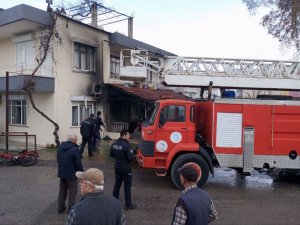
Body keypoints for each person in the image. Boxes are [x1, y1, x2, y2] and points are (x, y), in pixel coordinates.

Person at [110, 129, 137, 210]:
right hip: (126, 169)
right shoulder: (127, 145)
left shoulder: (114, 144)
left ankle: (114, 203)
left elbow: (111, 155)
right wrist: (134, 153)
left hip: (117, 167)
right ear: (124, 135)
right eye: (128, 135)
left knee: (117, 184)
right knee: (127, 187)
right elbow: (131, 157)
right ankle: (128, 205)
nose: (129, 136)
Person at [57, 133, 83, 214]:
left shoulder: (60, 146)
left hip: (62, 173)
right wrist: (82, 173)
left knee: (62, 191)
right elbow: (78, 163)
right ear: (73, 140)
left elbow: (58, 159)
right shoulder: (75, 149)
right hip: (71, 175)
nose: (77, 141)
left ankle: (60, 208)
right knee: (72, 192)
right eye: (76, 139)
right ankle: (71, 209)